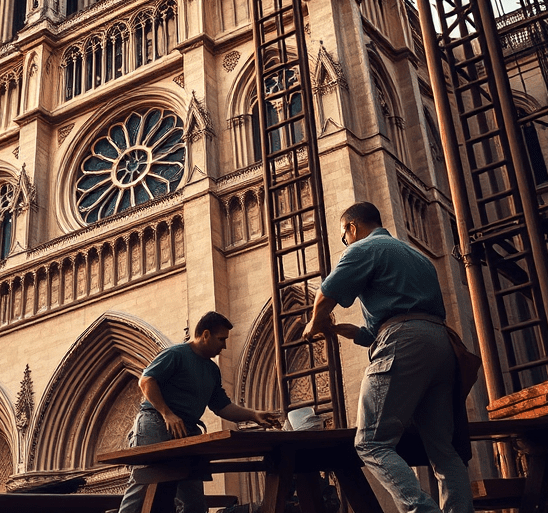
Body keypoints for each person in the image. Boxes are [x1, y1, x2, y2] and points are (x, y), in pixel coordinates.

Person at [302, 202, 474, 513]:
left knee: (370, 442)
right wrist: (337, 329)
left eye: (344, 236)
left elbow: (326, 294)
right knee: (443, 450)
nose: (346, 242)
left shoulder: (364, 248)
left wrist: (314, 323)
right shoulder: (418, 259)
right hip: (439, 343)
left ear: (352, 228)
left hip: (403, 342)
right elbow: (371, 332)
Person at [118, 311, 281, 513]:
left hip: (187, 430)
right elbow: (146, 381)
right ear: (205, 334)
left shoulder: (212, 371)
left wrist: (253, 415)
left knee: (193, 499)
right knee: (143, 485)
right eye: (221, 339)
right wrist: (167, 414)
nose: (225, 346)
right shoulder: (176, 354)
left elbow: (222, 407)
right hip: (156, 423)